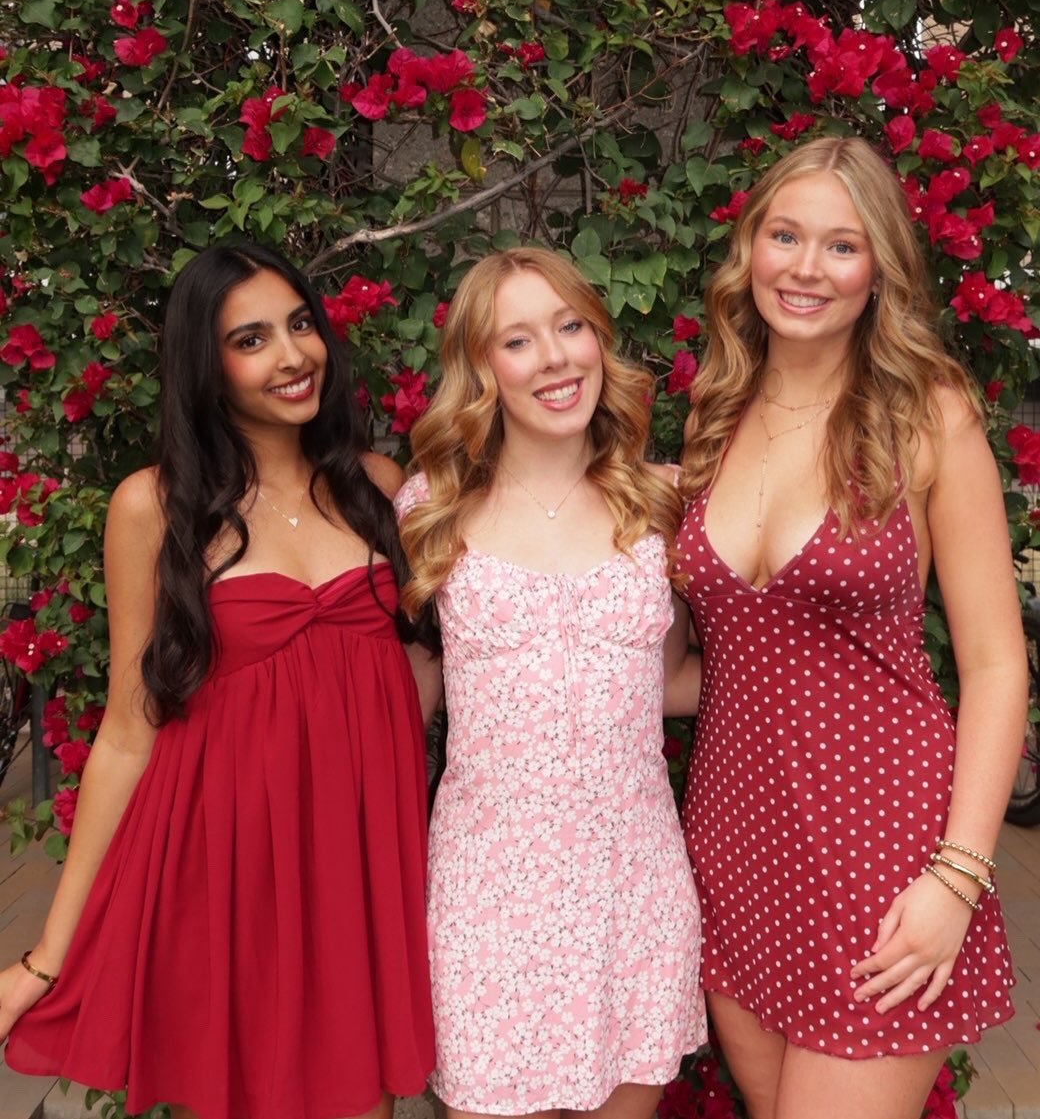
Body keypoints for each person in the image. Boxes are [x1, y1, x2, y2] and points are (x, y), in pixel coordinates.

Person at [0, 243, 435, 1119]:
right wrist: (46, 958)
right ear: (207, 363)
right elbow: (128, 730)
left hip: (355, 857)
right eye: (252, 338)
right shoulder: (153, 507)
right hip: (228, 858)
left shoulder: (377, 487)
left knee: (361, 1101)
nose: (293, 354)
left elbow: (423, 665)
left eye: (301, 324)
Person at [675, 135, 1026, 1119]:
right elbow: (730, 661)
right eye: (784, 235)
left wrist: (957, 876)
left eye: (841, 244)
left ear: (878, 269)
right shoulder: (715, 412)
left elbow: (996, 663)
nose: (805, 267)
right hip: (736, 844)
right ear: (750, 246)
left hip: (883, 851)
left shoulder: (926, 413)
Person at [394, 246, 705, 1119]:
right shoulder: (428, 508)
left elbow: (669, 682)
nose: (557, 357)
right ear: (481, 365)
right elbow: (406, 697)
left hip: (630, 885)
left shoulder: (661, 503)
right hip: (489, 896)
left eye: (571, 326)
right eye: (519, 339)